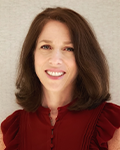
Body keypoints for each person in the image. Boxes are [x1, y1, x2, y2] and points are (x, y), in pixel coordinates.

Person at [0, 7, 120, 150]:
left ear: (84, 57)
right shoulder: (11, 130)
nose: (55, 60)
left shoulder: (112, 125)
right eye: (46, 47)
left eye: (69, 49)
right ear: (32, 55)